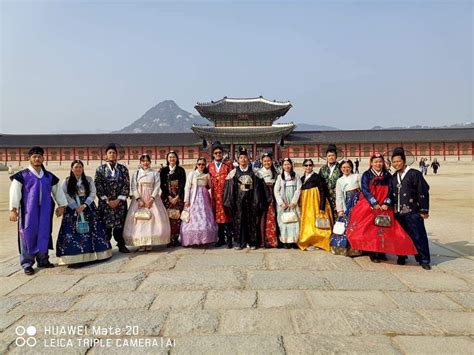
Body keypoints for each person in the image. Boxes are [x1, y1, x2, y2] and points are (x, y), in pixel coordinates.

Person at [346, 153, 417, 263]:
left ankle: (383, 251)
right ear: (371, 163)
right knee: (371, 229)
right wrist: (374, 203)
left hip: (384, 205)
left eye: (380, 161)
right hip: (370, 204)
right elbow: (365, 190)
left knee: (385, 228)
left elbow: (391, 191)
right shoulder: (366, 174)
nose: (378, 164)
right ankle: (373, 252)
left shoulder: (388, 175)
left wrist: (387, 203)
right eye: (375, 162)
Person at [9, 146, 67, 275]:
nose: (37, 159)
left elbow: (57, 191)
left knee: (44, 233)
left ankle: (43, 260)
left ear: (43, 158)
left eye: (39, 156)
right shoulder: (22, 176)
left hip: (45, 211)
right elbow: (15, 192)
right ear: (29, 158)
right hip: (28, 212)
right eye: (34, 156)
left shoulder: (48, 176)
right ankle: (27, 263)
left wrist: (61, 205)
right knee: (27, 234)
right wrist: (13, 209)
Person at [56, 160, 112, 265]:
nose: (78, 169)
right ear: (72, 169)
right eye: (76, 167)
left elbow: (93, 193)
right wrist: (75, 206)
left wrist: (84, 205)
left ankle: (97, 254)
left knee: (93, 229)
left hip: (88, 206)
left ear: (83, 169)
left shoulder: (89, 180)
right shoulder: (67, 181)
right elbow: (66, 195)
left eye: (80, 167)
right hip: (73, 208)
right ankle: (74, 257)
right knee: (72, 231)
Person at [391, 147, 432, 270]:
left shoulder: (415, 174)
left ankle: (423, 259)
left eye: (398, 161)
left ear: (404, 161)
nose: (396, 164)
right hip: (398, 212)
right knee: (400, 236)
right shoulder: (393, 177)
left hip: (412, 211)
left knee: (418, 235)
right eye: (394, 162)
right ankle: (402, 256)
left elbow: (423, 191)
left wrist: (424, 209)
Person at [123, 154, 170, 251]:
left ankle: (150, 242)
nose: (145, 163)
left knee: (152, 219)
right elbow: (133, 187)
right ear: (140, 162)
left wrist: (152, 199)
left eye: (147, 161)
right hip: (139, 198)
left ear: (150, 162)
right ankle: (140, 243)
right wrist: (138, 199)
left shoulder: (154, 173)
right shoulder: (136, 174)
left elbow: (157, 186)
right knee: (139, 220)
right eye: (143, 161)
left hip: (152, 197)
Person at [224, 146, 267, 250]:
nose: (243, 160)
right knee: (239, 222)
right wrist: (231, 202)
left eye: (245, 158)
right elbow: (230, 190)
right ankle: (239, 242)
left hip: (251, 201)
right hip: (238, 202)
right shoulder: (234, 173)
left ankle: (252, 242)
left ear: (248, 159)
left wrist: (257, 201)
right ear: (238, 160)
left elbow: (258, 188)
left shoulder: (254, 172)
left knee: (252, 222)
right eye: (241, 158)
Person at [95, 143, 130, 253]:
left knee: (120, 224)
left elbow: (126, 185)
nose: (112, 155)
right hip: (106, 203)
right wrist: (107, 200)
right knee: (106, 225)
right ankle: (106, 245)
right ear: (106, 155)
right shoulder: (100, 170)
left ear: (117, 155)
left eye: (114, 153)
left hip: (119, 202)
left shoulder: (123, 169)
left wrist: (118, 199)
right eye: (110, 153)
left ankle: (121, 244)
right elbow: (98, 186)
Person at [180, 157, 218, 246]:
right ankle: (191, 238)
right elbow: (187, 187)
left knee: (204, 215)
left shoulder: (207, 175)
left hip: (204, 197)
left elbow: (210, 187)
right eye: (199, 164)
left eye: (203, 164)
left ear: (205, 166)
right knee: (192, 216)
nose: (201, 166)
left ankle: (204, 238)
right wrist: (186, 199)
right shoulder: (192, 174)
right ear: (196, 165)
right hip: (193, 196)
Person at [298, 158, 333, 251]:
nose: (308, 167)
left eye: (310, 165)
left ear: (312, 166)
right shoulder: (301, 179)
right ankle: (308, 241)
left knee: (316, 223)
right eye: (306, 165)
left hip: (315, 202)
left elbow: (322, 191)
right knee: (307, 223)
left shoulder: (317, 177)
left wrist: (322, 206)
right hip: (305, 204)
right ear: (303, 167)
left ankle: (318, 241)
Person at [332, 159, 361, 256]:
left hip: (357, 204)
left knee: (356, 226)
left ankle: (357, 249)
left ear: (351, 167)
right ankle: (344, 248)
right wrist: (340, 209)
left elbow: (363, 191)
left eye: (348, 167)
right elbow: (339, 196)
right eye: (343, 167)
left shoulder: (357, 177)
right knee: (345, 226)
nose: (346, 169)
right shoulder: (339, 180)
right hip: (346, 204)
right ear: (340, 169)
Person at [208, 142, 234, 248]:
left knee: (227, 216)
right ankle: (221, 239)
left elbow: (233, 179)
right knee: (218, 218)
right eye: (216, 153)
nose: (218, 154)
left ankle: (229, 240)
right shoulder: (209, 166)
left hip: (226, 195)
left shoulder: (228, 165)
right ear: (213, 154)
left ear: (223, 153)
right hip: (215, 196)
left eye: (220, 152)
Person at [160, 151, 186, 247]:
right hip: (167, 196)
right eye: (170, 157)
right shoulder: (164, 170)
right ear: (167, 159)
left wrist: (177, 196)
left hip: (178, 196)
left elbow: (183, 184)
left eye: (174, 157)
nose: (172, 159)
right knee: (168, 217)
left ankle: (176, 238)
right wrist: (169, 196)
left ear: (177, 159)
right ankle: (169, 239)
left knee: (177, 217)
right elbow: (162, 184)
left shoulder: (181, 170)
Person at [274, 158, 302, 248]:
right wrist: (281, 203)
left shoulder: (296, 176)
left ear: (291, 165)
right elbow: (276, 191)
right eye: (285, 165)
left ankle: (294, 241)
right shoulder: (279, 177)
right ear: (282, 166)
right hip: (283, 203)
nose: (287, 166)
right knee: (283, 221)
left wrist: (294, 202)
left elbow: (298, 189)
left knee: (294, 220)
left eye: (288, 164)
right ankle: (285, 241)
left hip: (293, 202)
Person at [256, 153, 279, 248]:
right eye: (264, 161)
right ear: (261, 162)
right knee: (262, 218)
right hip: (263, 197)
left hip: (273, 196)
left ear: (271, 161)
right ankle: (263, 240)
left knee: (273, 217)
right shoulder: (258, 173)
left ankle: (272, 239)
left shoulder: (276, 172)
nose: (267, 163)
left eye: (268, 161)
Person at [319, 144, 342, 220]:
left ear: (336, 156)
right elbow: (320, 182)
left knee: (338, 215)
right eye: (329, 156)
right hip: (326, 197)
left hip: (338, 196)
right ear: (326, 157)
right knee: (327, 216)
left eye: (333, 155)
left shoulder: (341, 167)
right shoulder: (323, 169)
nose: (331, 157)